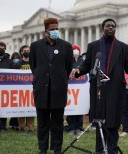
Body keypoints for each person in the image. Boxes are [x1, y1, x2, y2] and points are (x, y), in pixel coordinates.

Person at [73, 18, 128, 154]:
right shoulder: (93, 46)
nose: (111, 28)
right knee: (100, 120)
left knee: (113, 120)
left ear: (115, 28)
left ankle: (112, 149)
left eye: (113, 26)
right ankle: (100, 150)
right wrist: (78, 71)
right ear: (103, 28)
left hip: (115, 88)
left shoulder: (122, 47)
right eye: (108, 26)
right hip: (98, 88)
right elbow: (87, 65)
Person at [29, 18, 73, 154]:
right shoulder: (36, 46)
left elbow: (68, 67)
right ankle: (43, 149)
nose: (55, 31)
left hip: (58, 89)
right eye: (52, 29)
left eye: (57, 29)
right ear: (46, 30)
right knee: (42, 123)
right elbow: (33, 66)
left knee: (57, 123)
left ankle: (57, 149)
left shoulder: (66, 46)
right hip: (41, 89)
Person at [66, 44, 84, 136]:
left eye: (77, 49)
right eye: (74, 49)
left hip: (80, 88)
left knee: (79, 109)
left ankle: (79, 127)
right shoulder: (68, 60)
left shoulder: (82, 60)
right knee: (71, 109)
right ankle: (72, 127)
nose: (76, 51)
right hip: (71, 89)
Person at [17, 45, 35, 135]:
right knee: (21, 108)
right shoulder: (18, 63)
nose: (27, 52)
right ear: (21, 52)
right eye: (25, 50)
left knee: (31, 108)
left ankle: (31, 128)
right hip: (20, 88)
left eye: (28, 50)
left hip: (31, 88)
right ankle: (21, 127)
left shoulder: (34, 62)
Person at [9, 52, 21, 131]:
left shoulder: (21, 65)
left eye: (17, 57)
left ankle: (17, 123)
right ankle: (12, 123)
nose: (16, 59)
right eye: (14, 58)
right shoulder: (10, 65)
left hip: (20, 87)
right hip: (12, 87)